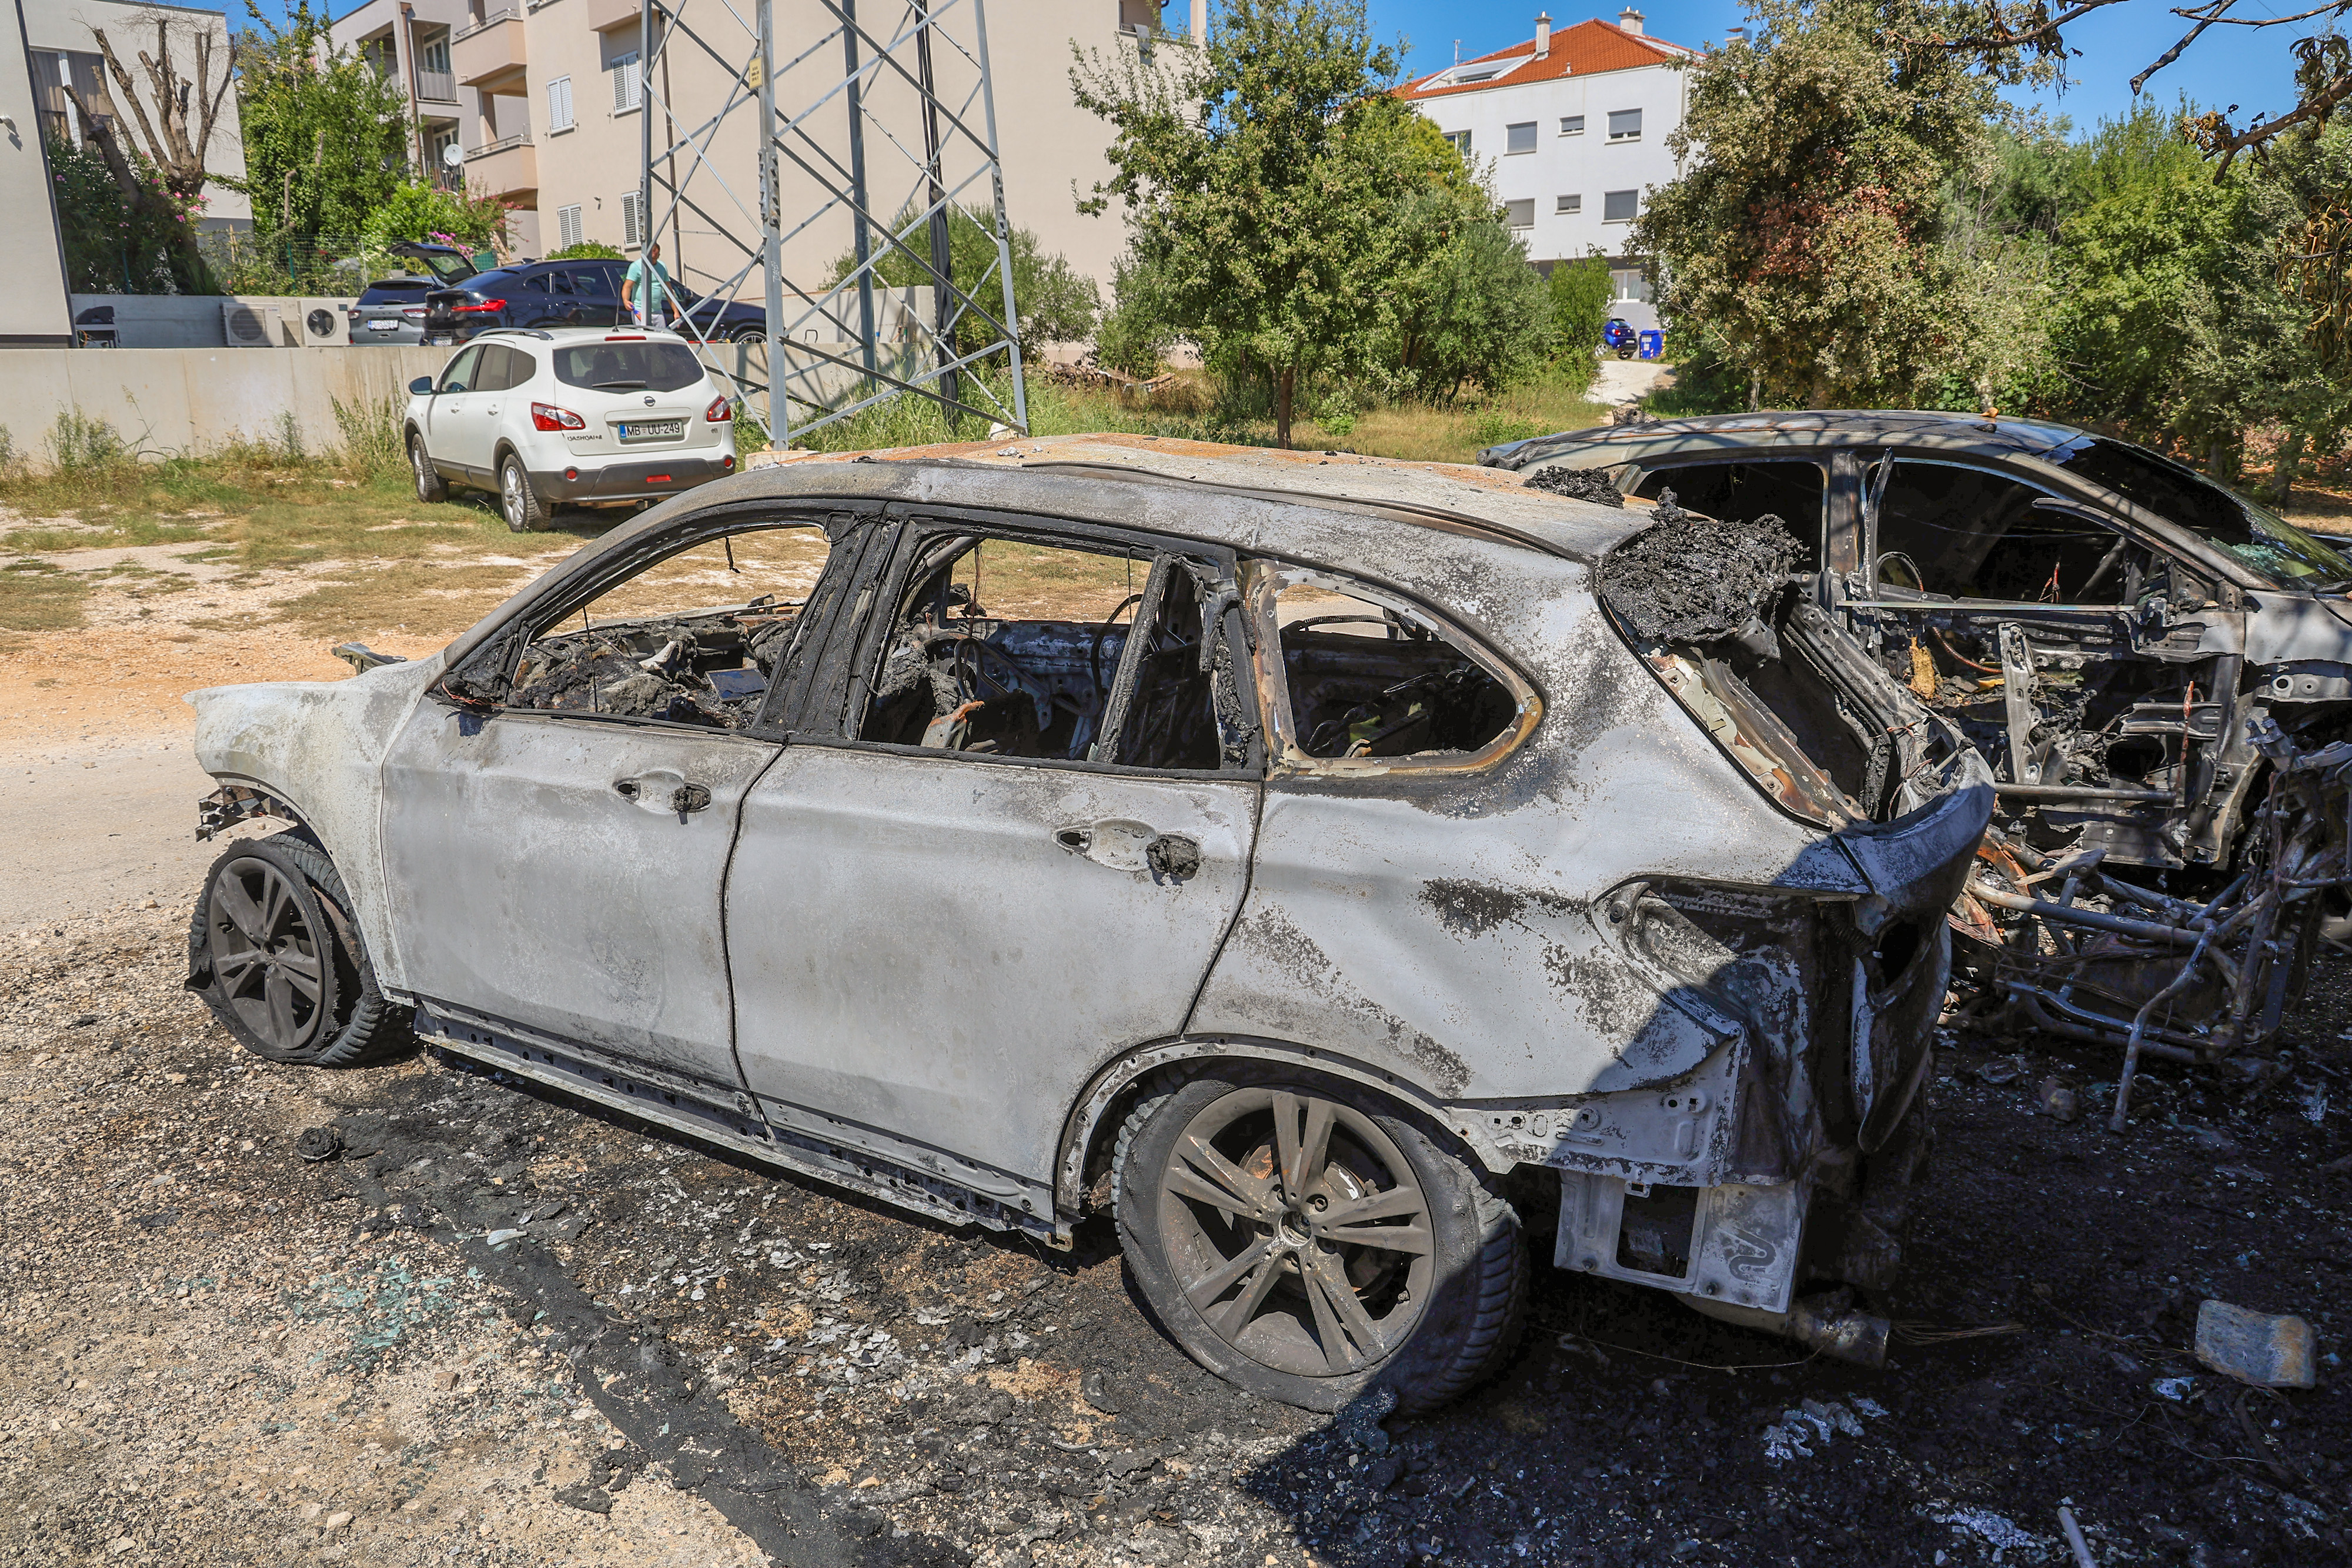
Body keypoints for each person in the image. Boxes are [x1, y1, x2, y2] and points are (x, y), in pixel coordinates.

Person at [623, 242, 673, 329]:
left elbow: (668, 290)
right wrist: (626, 300)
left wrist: (676, 311)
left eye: (656, 257)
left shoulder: (662, 267)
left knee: (662, 336)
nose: (653, 260)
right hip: (640, 310)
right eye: (651, 258)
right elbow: (627, 286)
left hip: (657, 311)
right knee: (644, 337)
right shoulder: (636, 266)